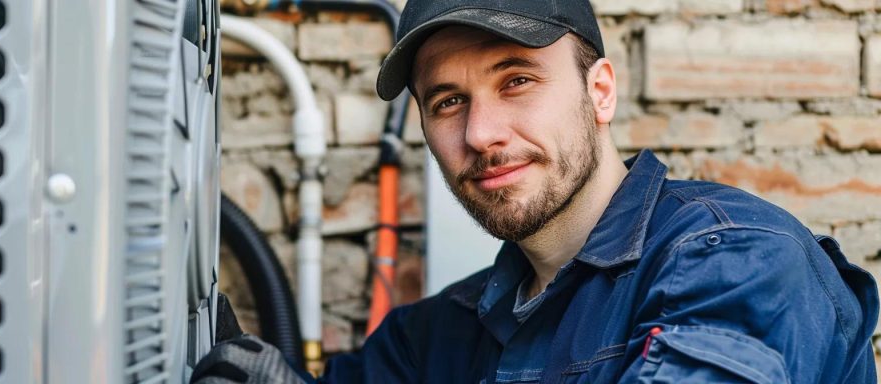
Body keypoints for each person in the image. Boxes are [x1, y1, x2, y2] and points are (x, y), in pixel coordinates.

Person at [192, 0, 880, 382]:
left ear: (599, 91)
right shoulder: (434, 342)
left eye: (516, 79)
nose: (482, 132)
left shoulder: (735, 262)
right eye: (446, 101)